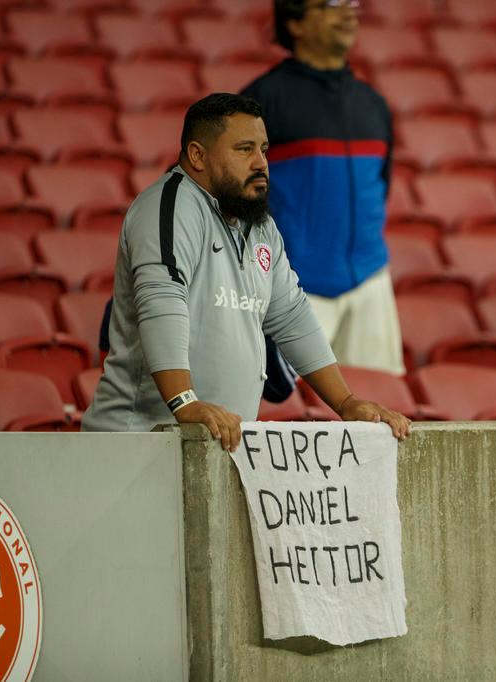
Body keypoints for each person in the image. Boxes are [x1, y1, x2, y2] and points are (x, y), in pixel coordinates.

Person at [83, 93, 410, 449]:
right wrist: (184, 402)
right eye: (244, 149)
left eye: (264, 150)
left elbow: (292, 316)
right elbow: (162, 301)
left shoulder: (260, 226)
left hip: (212, 442)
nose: (261, 163)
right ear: (197, 156)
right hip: (137, 442)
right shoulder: (170, 206)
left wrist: (346, 404)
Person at [241, 0, 405, 376]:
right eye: (331, 5)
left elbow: (380, 189)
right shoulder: (261, 101)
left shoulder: (373, 105)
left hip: (370, 285)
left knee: (379, 417)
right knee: (285, 422)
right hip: (293, 288)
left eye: (351, 4)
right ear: (295, 23)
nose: (348, 13)